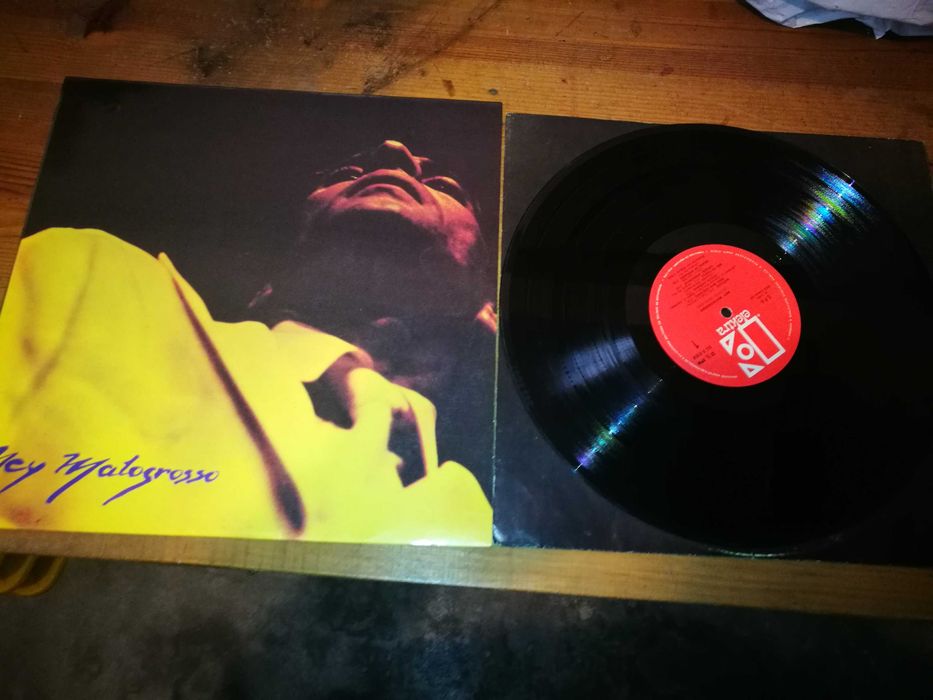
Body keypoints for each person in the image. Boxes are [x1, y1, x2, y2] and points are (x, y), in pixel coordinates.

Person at [0, 140, 494, 545]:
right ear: (270, 277)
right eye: (346, 172)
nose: (392, 150)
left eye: (443, 185)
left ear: (487, 305)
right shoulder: (97, 284)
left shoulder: (477, 519)